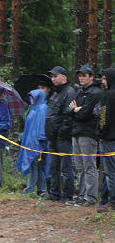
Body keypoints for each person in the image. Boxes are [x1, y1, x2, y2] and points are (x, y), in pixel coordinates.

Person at [66, 64, 101, 206]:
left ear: (91, 77)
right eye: (79, 75)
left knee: (89, 166)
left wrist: (76, 110)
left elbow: (86, 114)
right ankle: (82, 195)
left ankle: (91, 197)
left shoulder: (96, 93)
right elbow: (68, 110)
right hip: (76, 132)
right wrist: (75, 110)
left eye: (84, 75)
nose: (81, 78)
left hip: (88, 133)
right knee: (79, 166)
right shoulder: (78, 91)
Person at [44, 66, 76, 202]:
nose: (53, 79)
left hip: (63, 137)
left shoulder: (70, 92)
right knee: (53, 167)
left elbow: (69, 117)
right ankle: (55, 193)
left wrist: (61, 134)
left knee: (66, 167)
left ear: (64, 76)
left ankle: (68, 195)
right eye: (51, 76)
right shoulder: (55, 93)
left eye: (55, 76)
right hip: (52, 136)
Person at [16, 89, 50, 197]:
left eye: (33, 97)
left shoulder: (42, 109)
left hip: (37, 144)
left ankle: (29, 190)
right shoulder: (33, 109)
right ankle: (42, 190)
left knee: (34, 167)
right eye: (30, 97)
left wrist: (40, 141)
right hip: (29, 143)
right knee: (37, 167)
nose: (30, 100)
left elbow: (42, 127)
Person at [97, 68, 115, 213]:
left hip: (109, 139)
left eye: (104, 79)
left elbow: (103, 116)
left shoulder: (107, 96)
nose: (103, 82)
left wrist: (100, 132)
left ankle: (112, 202)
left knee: (110, 172)